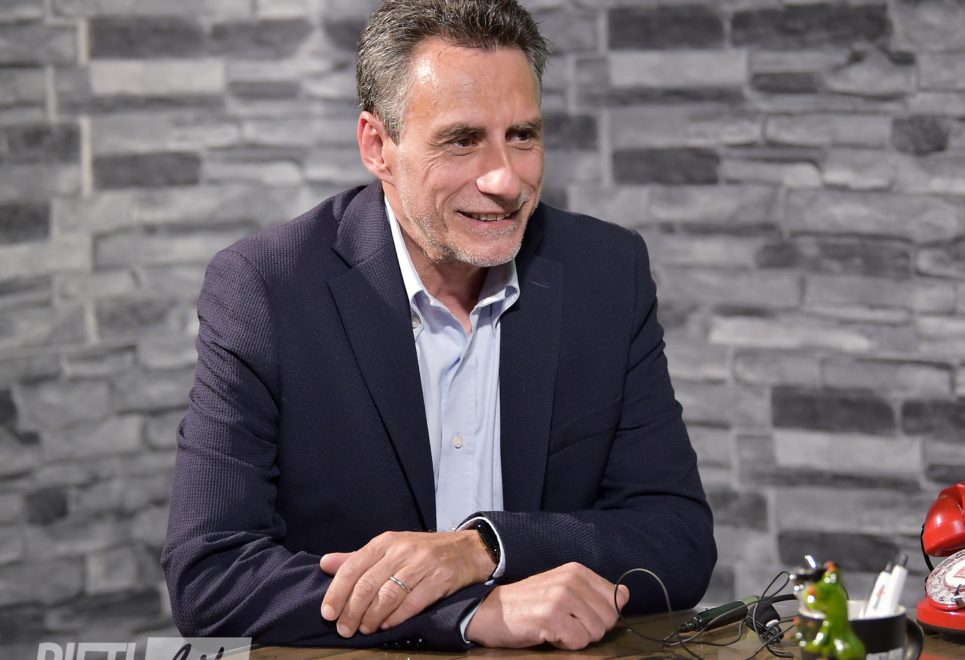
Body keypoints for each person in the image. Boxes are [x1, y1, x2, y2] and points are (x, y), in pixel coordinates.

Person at [161, 0, 715, 651]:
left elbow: (677, 538)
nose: (505, 179)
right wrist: (463, 612)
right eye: (462, 140)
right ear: (377, 146)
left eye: (523, 135)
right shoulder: (266, 289)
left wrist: (485, 549)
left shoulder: (608, 273)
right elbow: (211, 577)